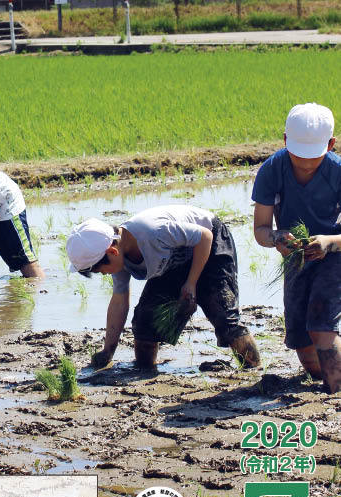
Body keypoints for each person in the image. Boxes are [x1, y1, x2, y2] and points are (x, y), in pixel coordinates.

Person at [65, 205, 260, 371]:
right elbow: (119, 301)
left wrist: (191, 282)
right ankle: (146, 371)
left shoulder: (154, 232)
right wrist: (108, 351)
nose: (104, 274)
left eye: (100, 270)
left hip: (209, 245)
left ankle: (255, 371)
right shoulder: (119, 259)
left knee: (224, 317)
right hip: (173, 262)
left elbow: (205, 237)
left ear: (112, 251)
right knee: (145, 324)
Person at [252, 102, 341, 394]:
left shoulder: (338, 172)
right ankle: (325, 377)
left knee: (321, 324)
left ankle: (336, 390)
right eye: (298, 156)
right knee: (302, 339)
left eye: (313, 158)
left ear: (331, 144)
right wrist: (278, 238)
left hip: (334, 253)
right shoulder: (272, 170)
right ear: (285, 140)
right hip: (296, 257)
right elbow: (261, 230)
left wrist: (329, 242)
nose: (304, 164)